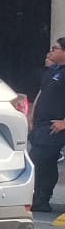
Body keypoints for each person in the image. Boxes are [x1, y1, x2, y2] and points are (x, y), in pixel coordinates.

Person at [27, 38, 65, 213]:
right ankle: (38, 198)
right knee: (42, 161)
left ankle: (42, 197)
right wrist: (32, 116)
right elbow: (41, 94)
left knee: (42, 161)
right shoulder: (52, 71)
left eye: (55, 48)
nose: (51, 51)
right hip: (41, 125)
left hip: (55, 125)